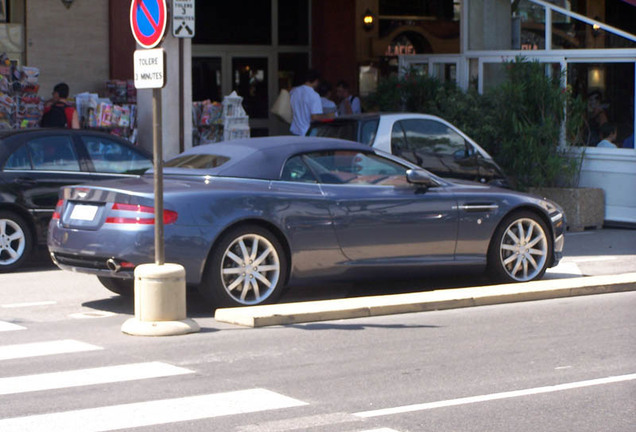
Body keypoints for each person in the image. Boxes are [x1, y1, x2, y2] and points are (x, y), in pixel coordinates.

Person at [289, 69, 325, 136]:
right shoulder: (314, 95)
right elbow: (314, 117)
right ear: (316, 81)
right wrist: (325, 117)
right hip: (308, 132)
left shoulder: (293, 91)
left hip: (295, 131)